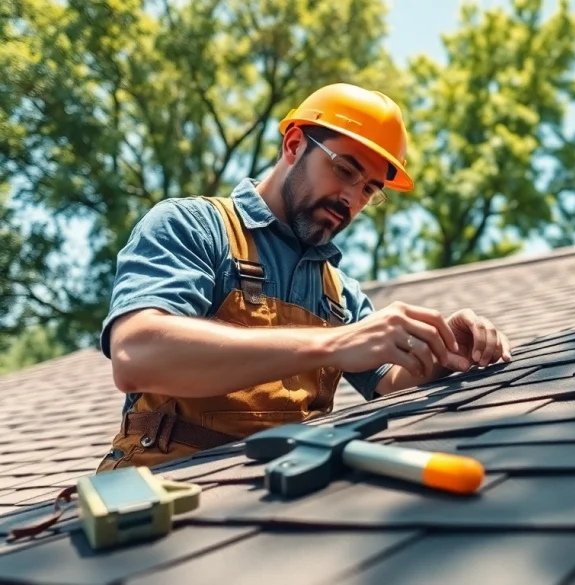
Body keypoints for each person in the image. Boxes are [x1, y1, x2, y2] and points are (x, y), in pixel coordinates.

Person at [95, 83, 512, 472]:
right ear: (294, 144)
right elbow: (137, 354)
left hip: (278, 493)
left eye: (369, 189)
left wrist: (445, 352)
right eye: (345, 170)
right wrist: (334, 344)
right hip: (162, 486)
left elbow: (392, 385)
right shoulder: (195, 227)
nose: (353, 198)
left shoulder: (339, 294)